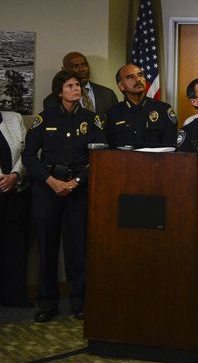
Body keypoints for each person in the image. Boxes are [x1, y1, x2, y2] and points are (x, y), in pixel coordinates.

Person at [23, 70, 106, 322]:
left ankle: (79, 301)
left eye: (78, 85)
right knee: (47, 248)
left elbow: (100, 155)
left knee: (77, 247)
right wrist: (51, 181)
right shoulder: (43, 118)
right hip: (47, 189)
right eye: (70, 85)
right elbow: (29, 157)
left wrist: (76, 182)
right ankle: (47, 303)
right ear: (59, 91)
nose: (76, 89)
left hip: (78, 190)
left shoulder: (92, 120)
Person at [104, 63, 178, 148]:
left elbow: (171, 148)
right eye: (130, 77)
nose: (138, 79)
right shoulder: (112, 115)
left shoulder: (164, 110)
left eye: (140, 75)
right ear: (121, 86)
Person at [0, 110, 31, 307]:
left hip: (16, 193)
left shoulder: (15, 118)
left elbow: (27, 152)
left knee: (15, 246)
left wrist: (15, 175)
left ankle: (13, 295)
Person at [42, 52, 117, 119]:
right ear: (64, 69)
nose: (82, 69)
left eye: (84, 65)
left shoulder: (108, 95)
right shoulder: (52, 100)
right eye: (75, 66)